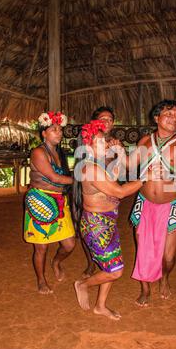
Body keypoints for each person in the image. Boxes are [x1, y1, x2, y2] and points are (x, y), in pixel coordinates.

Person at [73, 120, 145, 321]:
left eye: (104, 141)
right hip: (96, 225)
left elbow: (118, 174)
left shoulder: (100, 164)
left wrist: (120, 153)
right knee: (115, 271)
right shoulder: (91, 169)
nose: (105, 144)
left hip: (107, 222)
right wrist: (145, 179)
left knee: (110, 266)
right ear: (87, 147)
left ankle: (100, 306)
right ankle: (83, 284)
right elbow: (120, 191)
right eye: (100, 142)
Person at [130, 99, 176, 306]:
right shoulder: (144, 141)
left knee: (168, 257)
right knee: (143, 251)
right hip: (144, 202)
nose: (174, 119)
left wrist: (169, 172)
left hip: (170, 205)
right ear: (156, 118)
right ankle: (145, 289)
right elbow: (129, 168)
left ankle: (164, 278)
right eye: (169, 114)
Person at [24, 111, 75, 294]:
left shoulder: (59, 153)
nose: (59, 133)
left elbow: (62, 178)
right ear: (44, 133)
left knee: (69, 244)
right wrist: (82, 179)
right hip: (40, 201)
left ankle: (57, 261)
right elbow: (54, 178)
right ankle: (41, 280)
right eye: (54, 129)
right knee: (41, 248)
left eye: (60, 129)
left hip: (60, 201)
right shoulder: (38, 152)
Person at [72, 106, 124, 279]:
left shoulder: (114, 144)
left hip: (107, 197)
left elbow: (119, 171)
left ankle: (100, 263)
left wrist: (120, 153)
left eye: (110, 119)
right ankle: (92, 262)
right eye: (103, 118)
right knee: (90, 229)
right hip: (92, 196)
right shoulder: (90, 141)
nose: (106, 122)